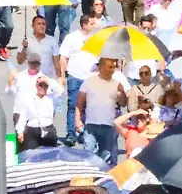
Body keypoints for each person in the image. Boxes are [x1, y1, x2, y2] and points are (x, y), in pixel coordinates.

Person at [76, 57, 128, 166]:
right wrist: (77, 120)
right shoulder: (89, 81)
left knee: (106, 158)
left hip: (108, 126)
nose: (112, 70)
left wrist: (122, 91)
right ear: (101, 67)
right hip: (91, 124)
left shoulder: (116, 84)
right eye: (110, 67)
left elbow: (123, 103)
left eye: (114, 67)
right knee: (88, 156)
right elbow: (79, 102)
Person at [60, 15, 100, 144]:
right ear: (84, 25)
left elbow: (100, 59)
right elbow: (63, 57)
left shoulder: (97, 39)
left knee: (88, 107)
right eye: (92, 24)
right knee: (73, 105)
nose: (94, 26)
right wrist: (62, 75)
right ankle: (71, 134)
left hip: (90, 78)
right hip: (75, 76)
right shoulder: (71, 38)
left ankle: (84, 133)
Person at [15, 77, 60, 151]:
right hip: (32, 130)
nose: (43, 88)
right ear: (36, 86)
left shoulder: (51, 98)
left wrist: (47, 80)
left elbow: (59, 90)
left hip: (48, 129)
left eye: (45, 86)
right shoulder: (28, 99)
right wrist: (20, 131)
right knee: (31, 154)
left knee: (49, 153)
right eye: (40, 85)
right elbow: (22, 117)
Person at [18, 14, 62, 79]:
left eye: (43, 24)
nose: (42, 26)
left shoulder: (52, 41)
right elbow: (19, 61)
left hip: (47, 78)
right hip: (31, 78)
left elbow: (56, 62)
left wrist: (59, 78)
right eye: (39, 24)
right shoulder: (26, 41)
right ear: (33, 26)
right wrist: (24, 48)